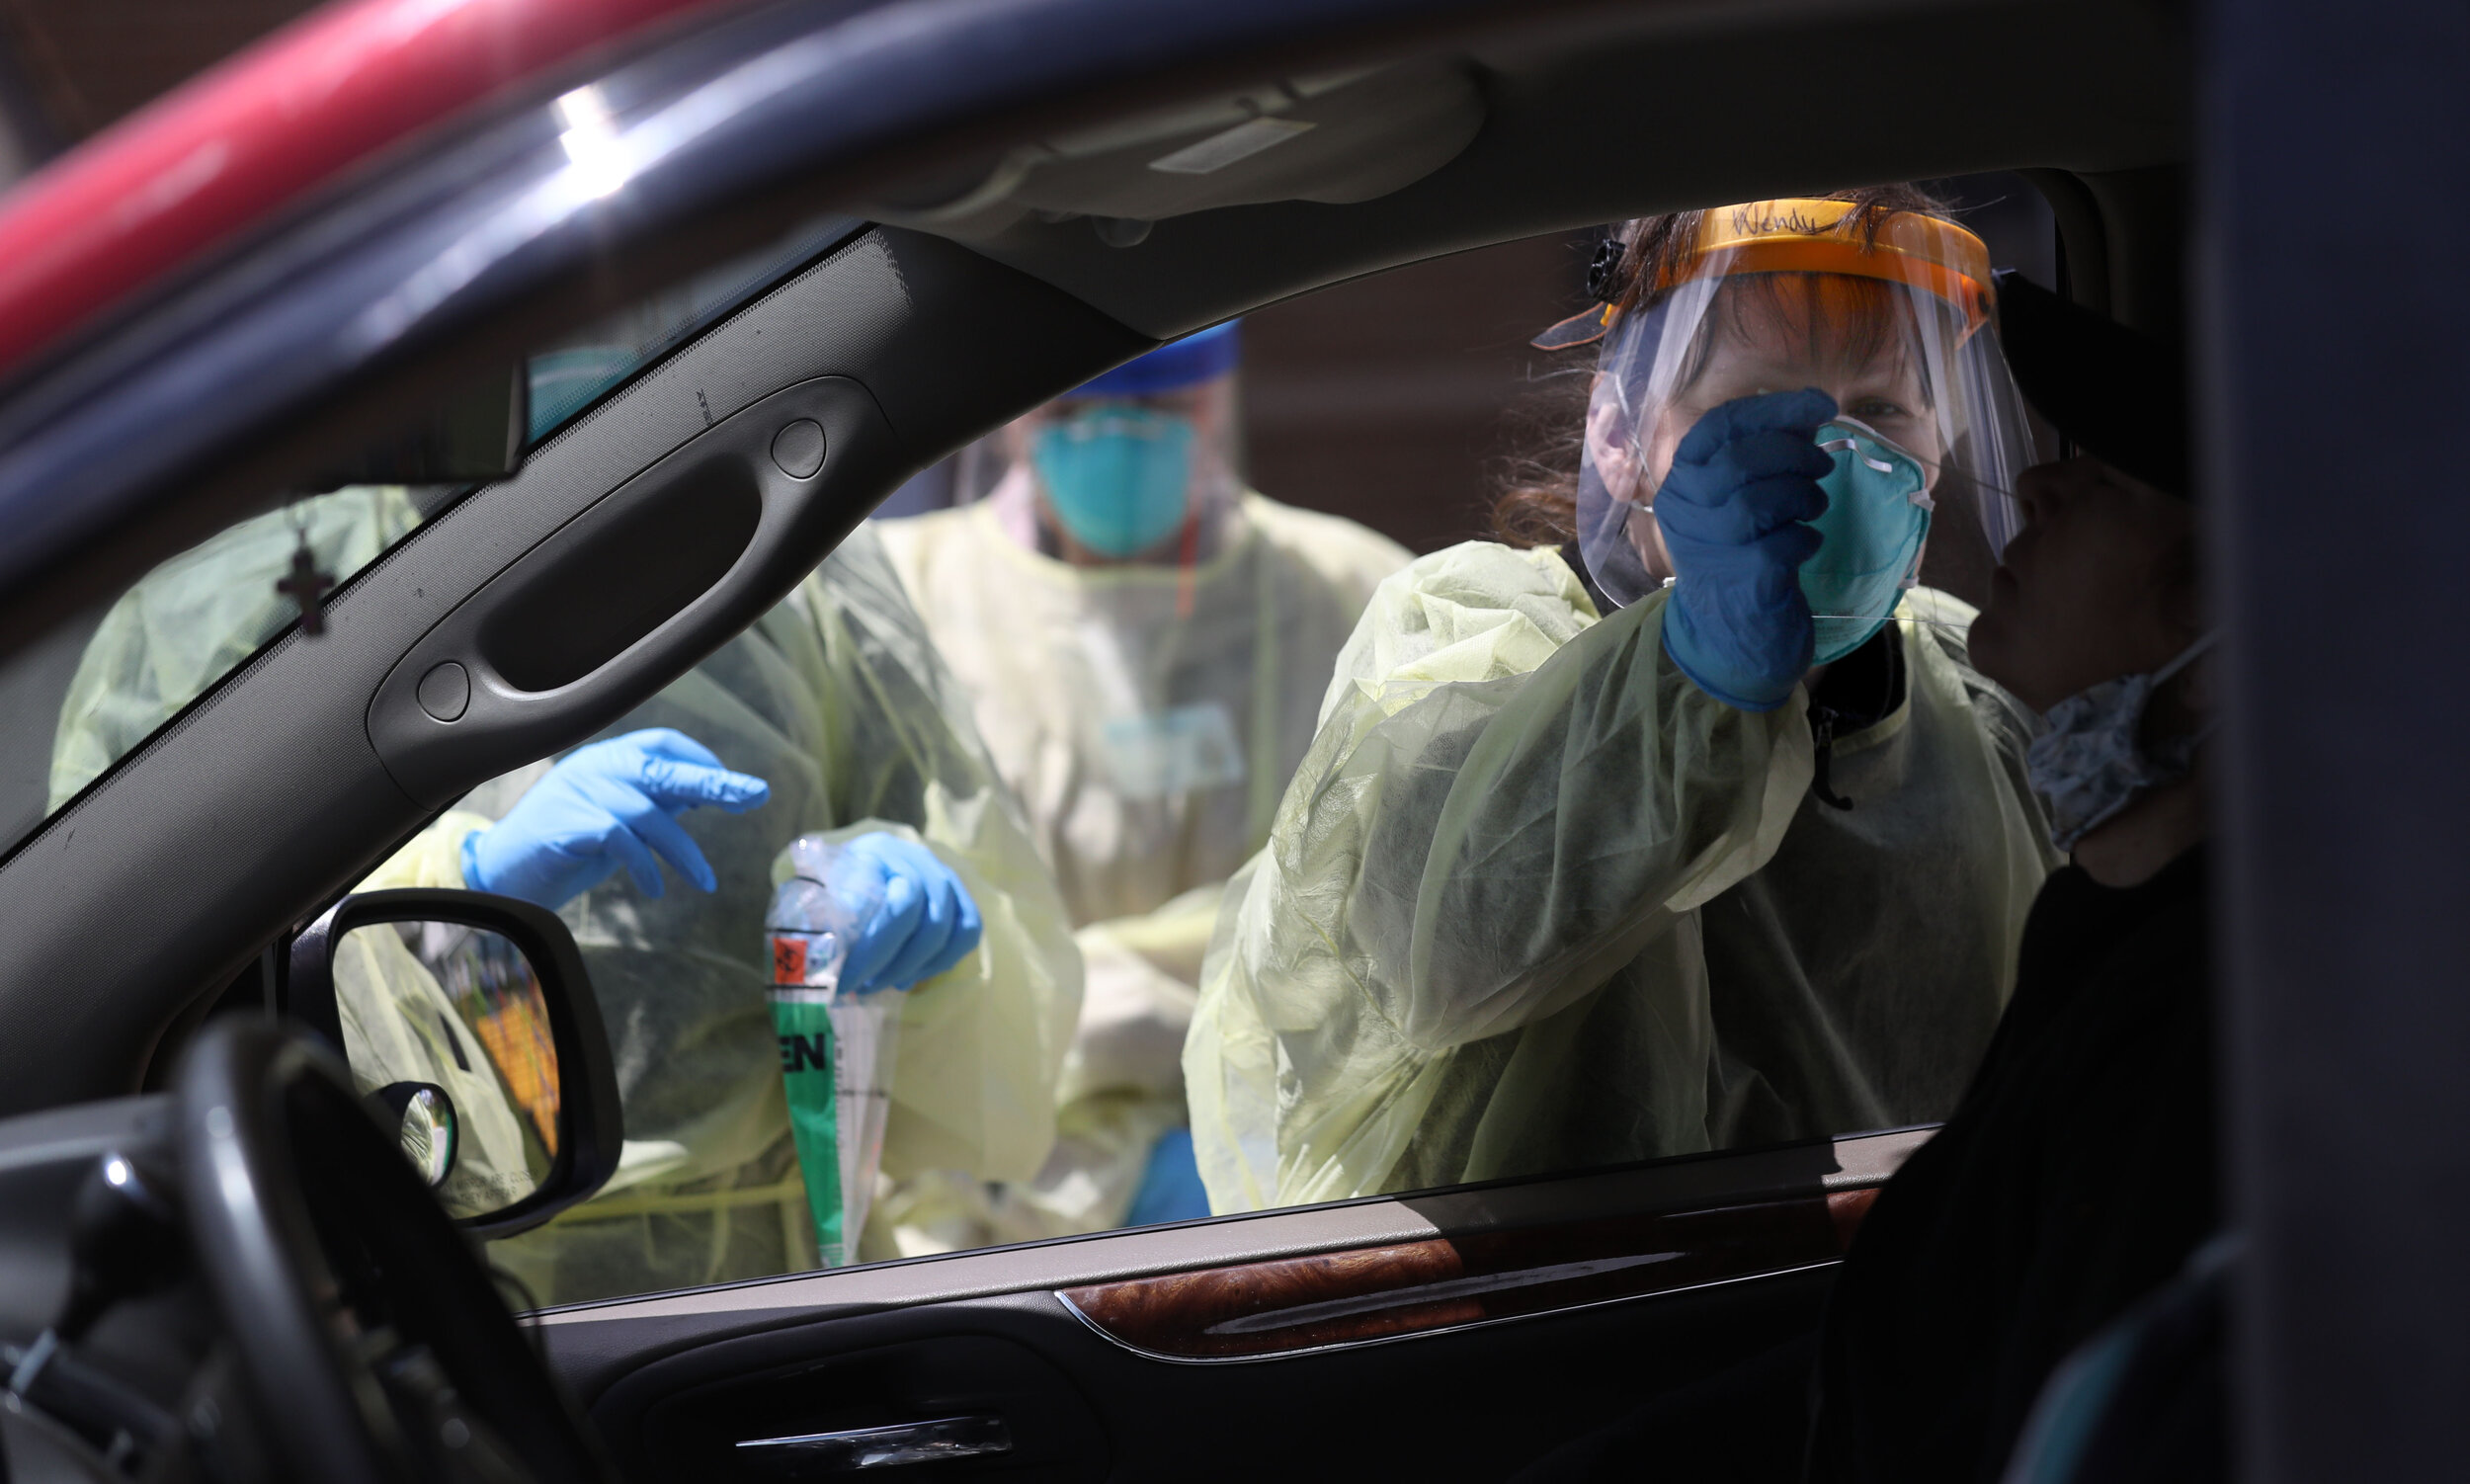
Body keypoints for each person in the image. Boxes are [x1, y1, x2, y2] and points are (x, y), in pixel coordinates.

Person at [1186, 187, 2058, 1214]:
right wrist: (1687, 676)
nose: (1827, 455)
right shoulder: (1475, 631)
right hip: (1552, 1325)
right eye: (1760, 408)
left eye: (1880, 410)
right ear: (1619, 435)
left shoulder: (1968, 688)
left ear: (1941, 443)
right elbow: (1424, 946)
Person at [1512, 275, 2220, 1483]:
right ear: (1620, 435)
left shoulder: (2204, 1021)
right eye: (1763, 405)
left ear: (2227, 628)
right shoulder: (2106, 914)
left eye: (2107, 479)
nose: (2038, 481)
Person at [55, 476, 1084, 1304]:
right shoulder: (240, 610)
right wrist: (450, 895)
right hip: (399, 1304)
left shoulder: (803, 569)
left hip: (762, 1298)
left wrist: (932, 941)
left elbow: (997, 1078)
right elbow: (131, 1017)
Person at [873, 323, 1412, 1242]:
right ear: (1010, 412)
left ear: (1217, 395)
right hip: (976, 1177)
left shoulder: (1351, 590)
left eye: (1155, 404)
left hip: (1272, 1146)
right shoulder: (900, 595)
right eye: (1075, 406)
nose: (1114, 432)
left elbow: (1398, 915)